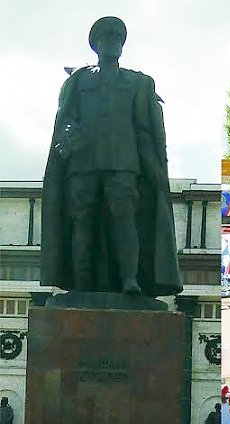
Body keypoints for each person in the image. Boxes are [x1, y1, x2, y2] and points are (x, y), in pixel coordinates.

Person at [41, 16, 182, 297]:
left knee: (125, 220)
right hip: (82, 164)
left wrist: (154, 170)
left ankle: (130, 278)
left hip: (124, 164)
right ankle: (82, 282)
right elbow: (65, 120)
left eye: (117, 40)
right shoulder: (78, 81)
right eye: (107, 40)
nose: (113, 44)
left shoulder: (136, 83)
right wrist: (68, 136)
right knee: (83, 221)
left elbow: (144, 128)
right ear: (96, 46)